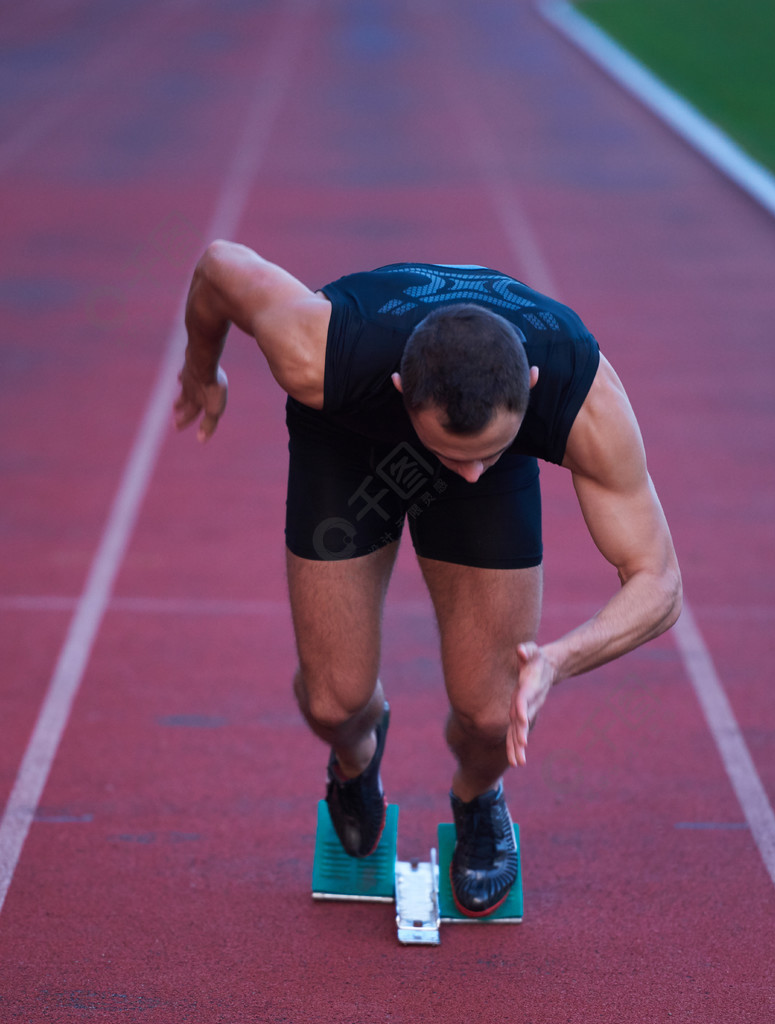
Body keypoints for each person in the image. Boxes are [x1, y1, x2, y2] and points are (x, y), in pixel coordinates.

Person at [174, 240, 682, 918]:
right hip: (352, 441)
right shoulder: (320, 350)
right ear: (400, 391)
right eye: (453, 455)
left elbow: (660, 582)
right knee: (333, 701)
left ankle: (478, 799)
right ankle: (356, 761)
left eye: (487, 453)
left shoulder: (576, 388)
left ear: (528, 388)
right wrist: (199, 369)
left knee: (489, 711)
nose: (465, 472)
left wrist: (558, 661)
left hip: (481, 445)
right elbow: (217, 266)